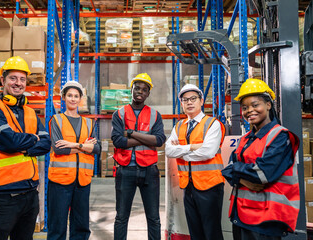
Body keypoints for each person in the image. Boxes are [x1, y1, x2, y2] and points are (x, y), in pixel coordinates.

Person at [0, 56, 51, 240]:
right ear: (3, 80)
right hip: (2, 197)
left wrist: (24, 145)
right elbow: (8, 142)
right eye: (13, 78)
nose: (18, 83)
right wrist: (32, 139)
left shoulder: (29, 112)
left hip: (29, 195)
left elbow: (46, 144)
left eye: (22, 79)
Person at [221, 78, 300, 240]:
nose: (250, 110)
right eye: (245, 107)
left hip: (266, 219)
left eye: (255, 105)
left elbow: (263, 175)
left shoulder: (282, 137)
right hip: (241, 215)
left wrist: (236, 170)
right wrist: (244, 179)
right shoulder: (246, 139)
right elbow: (226, 168)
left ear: (268, 105)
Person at [165, 84, 225, 240]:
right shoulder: (178, 126)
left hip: (210, 186)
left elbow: (207, 152)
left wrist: (182, 152)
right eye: (185, 100)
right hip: (188, 187)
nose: (189, 102)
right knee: (195, 232)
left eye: (193, 99)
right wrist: (192, 147)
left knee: (212, 232)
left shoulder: (212, 124)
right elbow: (168, 151)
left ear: (201, 101)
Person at [111, 73, 166, 240]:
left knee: (154, 218)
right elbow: (118, 141)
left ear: (148, 93)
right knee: (121, 217)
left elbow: (159, 140)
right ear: (132, 89)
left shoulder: (155, 115)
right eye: (137, 88)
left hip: (149, 170)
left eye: (144, 89)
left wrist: (131, 133)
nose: (140, 92)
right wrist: (145, 138)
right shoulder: (119, 114)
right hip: (125, 170)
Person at [47, 81, 101, 240]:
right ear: (63, 97)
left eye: (76, 96)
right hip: (60, 180)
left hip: (82, 181)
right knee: (57, 224)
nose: (73, 99)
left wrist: (74, 144)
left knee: (81, 225)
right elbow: (59, 149)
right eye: (69, 95)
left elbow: (97, 149)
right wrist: (84, 146)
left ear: (80, 99)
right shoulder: (56, 120)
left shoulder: (89, 123)